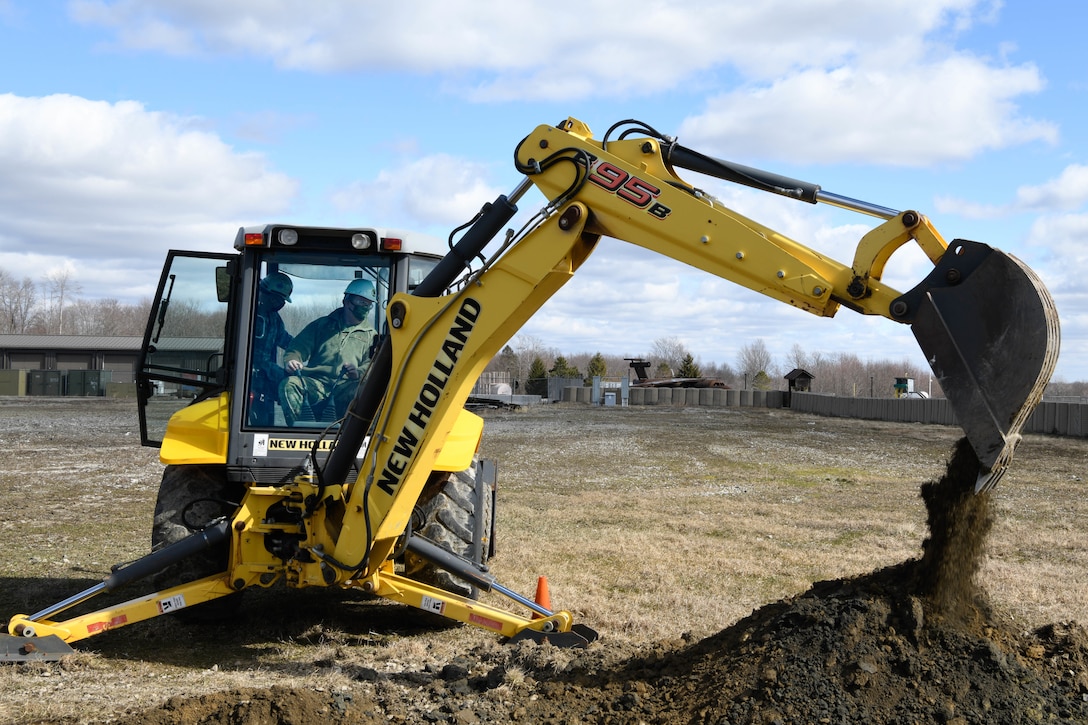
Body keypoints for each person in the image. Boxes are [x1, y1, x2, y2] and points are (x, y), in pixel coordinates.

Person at [279, 278, 378, 425]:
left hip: (345, 387)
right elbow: (297, 348)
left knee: (369, 392)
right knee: (289, 384)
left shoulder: (371, 335)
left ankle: (352, 439)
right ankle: (300, 430)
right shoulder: (322, 325)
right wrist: (292, 360)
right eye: (361, 302)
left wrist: (357, 372)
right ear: (347, 301)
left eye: (368, 304)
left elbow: (372, 364)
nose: (365, 307)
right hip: (315, 384)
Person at [249, 272, 294, 426]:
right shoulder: (249, 314)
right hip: (251, 377)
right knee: (290, 385)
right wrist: (283, 374)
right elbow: (258, 359)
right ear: (267, 293)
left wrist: (304, 348)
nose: (280, 303)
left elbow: (285, 340)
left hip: (266, 376)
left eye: (282, 300)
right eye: (278, 299)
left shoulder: (274, 319)